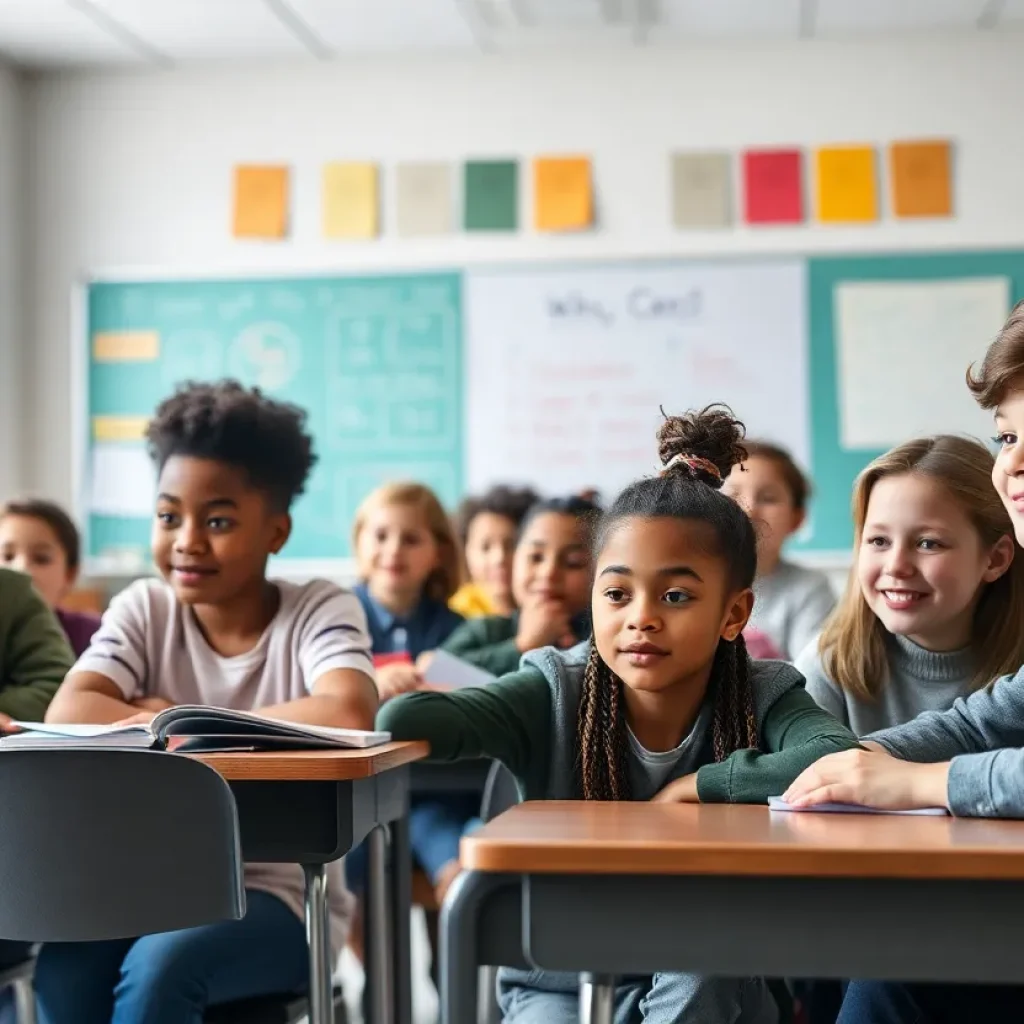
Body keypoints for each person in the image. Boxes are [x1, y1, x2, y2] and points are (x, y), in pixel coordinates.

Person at [381, 405, 859, 1024]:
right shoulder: (555, 689)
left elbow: (836, 758)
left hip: (713, 973)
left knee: (706, 962)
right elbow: (403, 718)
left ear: (734, 614)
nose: (641, 617)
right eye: (616, 593)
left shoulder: (762, 691)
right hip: (559, 977)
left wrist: (703, 784)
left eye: (677, 595)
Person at [37, 380, 378, 1024]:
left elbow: (346, 711)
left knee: (162, 971)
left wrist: (184, 723)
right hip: (139, 887)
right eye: (168, 517)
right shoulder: (145, 607)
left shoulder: (318, 608)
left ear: (276, 530)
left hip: (281, 899)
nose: (187, 540)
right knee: (63, 969)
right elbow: (71, 710)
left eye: (218, 520)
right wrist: (190, 722)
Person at [723, 441, 834, 659]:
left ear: (797, 519)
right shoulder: (688, 582)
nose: (749, 509)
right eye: (733, 495)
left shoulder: (809, 589)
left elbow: (813, 677)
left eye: (768, 498)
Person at [0, 498, 101, 655]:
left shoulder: (95, 635)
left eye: (41, 558)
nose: (21, 569)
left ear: (69, 575)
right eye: (7, 556)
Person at [449, 484, 538, 618]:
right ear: (466, 552)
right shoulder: (457, 615)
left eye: (510, 545)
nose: (499, 558)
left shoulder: (543, 603)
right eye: (485, 547)